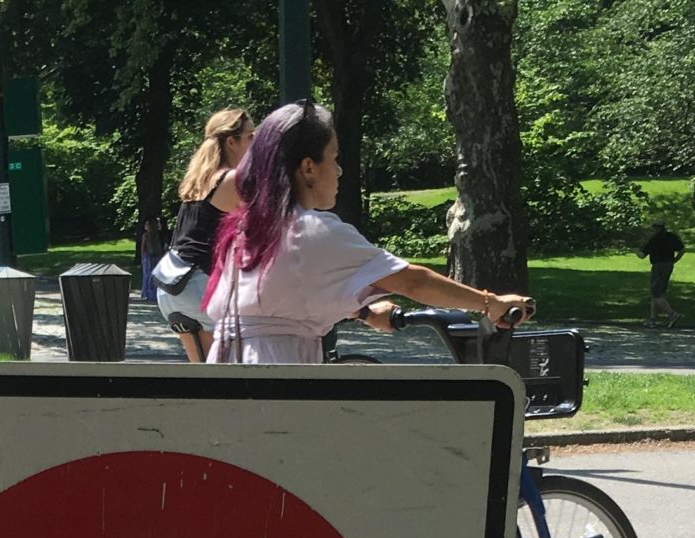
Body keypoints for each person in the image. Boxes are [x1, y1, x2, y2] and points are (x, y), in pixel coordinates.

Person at [202, 102, 531, 364]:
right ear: (308, 168)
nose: (340, 170)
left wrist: (363, 311)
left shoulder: (251, 227)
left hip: (231, 363)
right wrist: (490, 303)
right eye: (334, 158)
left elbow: (289, 292)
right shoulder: (314, 231)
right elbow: (412, 281)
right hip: (278, 368)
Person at [155, 107, 252, 363]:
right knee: (240, 370)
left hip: (172, 287)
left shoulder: (200, 180)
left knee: (205, 381)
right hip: (201, 285)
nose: (256, 144)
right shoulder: (231, 179)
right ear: (232, 141)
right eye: (251, 137)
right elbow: (268, 224)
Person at [636, 221, 686, 327]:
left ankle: (672, 314)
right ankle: (652, 319)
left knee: (656, 293)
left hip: (658, 266)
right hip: (669, 265)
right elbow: (682, 249)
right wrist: (675, 259)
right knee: (660, 292)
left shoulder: (654, 240)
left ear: (656, 228)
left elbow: (642, 255)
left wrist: (636, 251)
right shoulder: (671, 237)